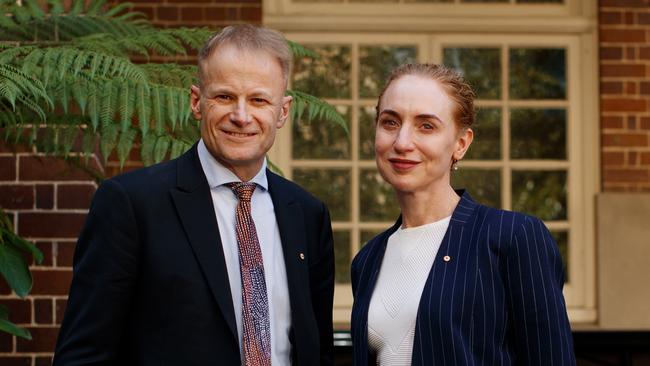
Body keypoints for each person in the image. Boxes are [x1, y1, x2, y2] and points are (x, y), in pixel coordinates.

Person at [54, 25, 334, 366]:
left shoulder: (306, 213)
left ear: (283, 111)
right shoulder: (132, 205)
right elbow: (84, 354)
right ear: (196, 102)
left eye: (259, 100)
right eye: (225, 96)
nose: (241, 116)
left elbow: (317, 350)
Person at [350, 63, 575, 365]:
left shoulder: (512, 238)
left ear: (461, 143)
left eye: (426, 126)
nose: (402, 142)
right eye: (390, 122)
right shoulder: (368, 259)